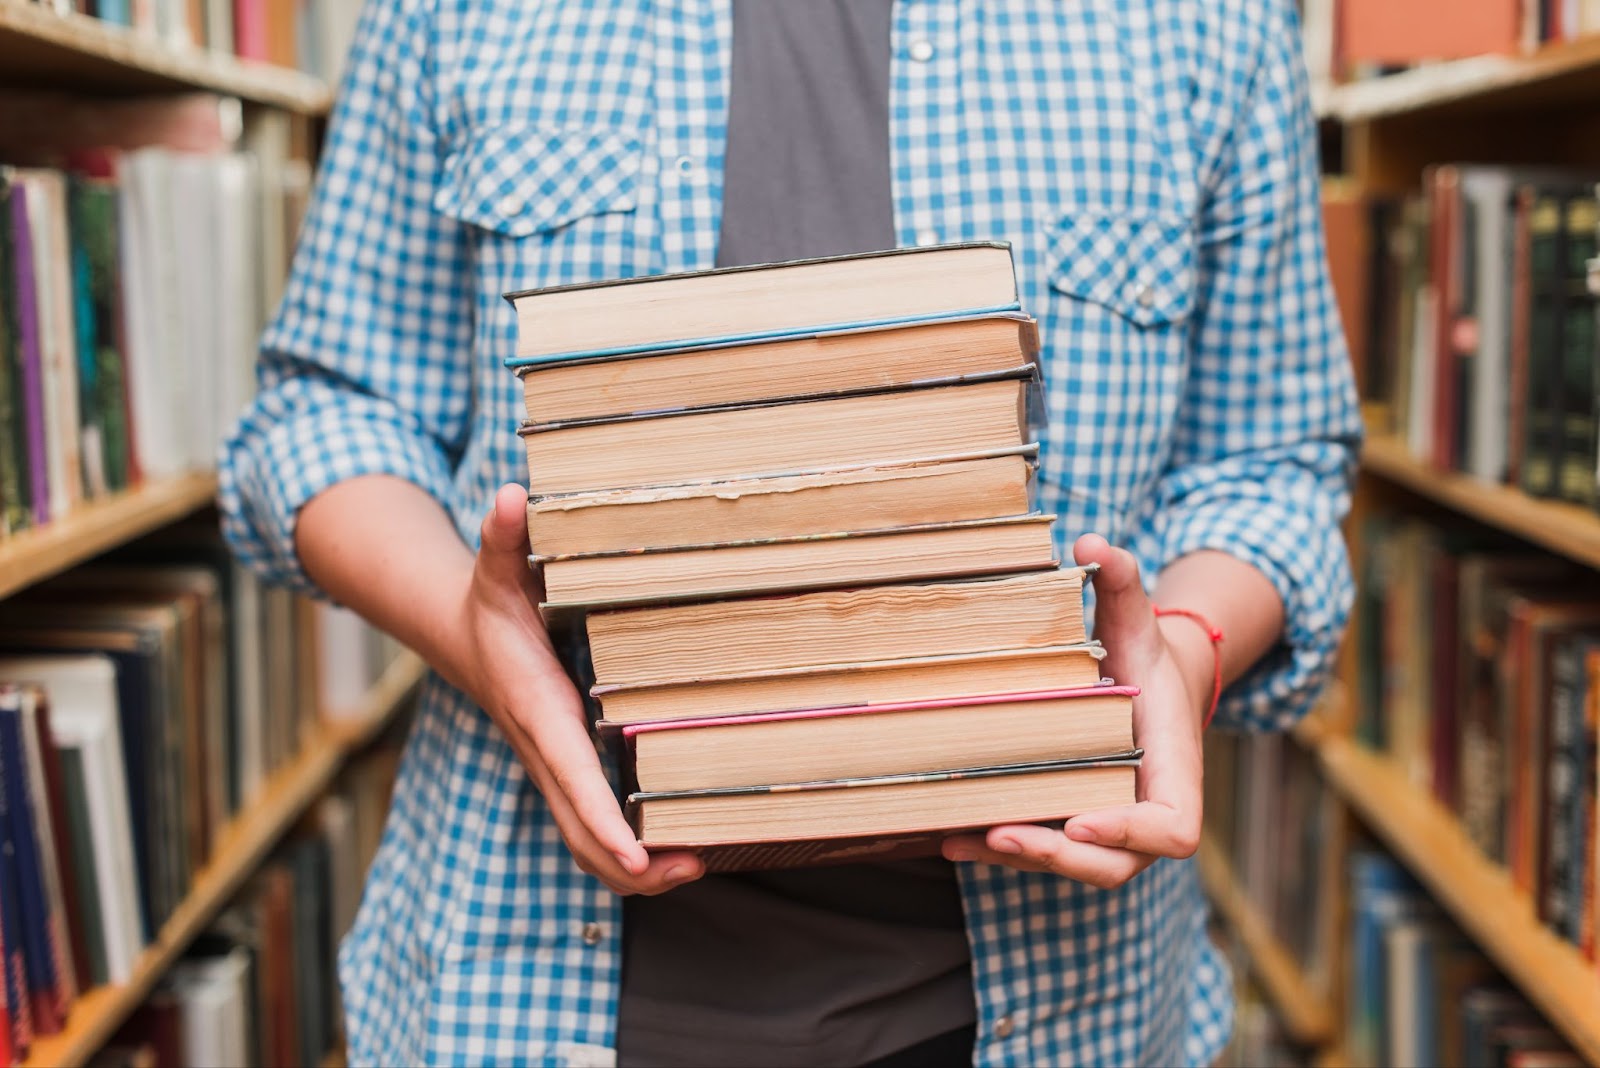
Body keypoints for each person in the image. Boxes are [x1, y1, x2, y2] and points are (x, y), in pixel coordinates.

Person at [219, 1, 1361, 1064]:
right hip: (528, 992)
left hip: (1059, 1006)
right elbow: (328, 412)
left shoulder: (1209, 21)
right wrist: (479, 639)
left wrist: (1186, 643)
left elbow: (1270, 463)